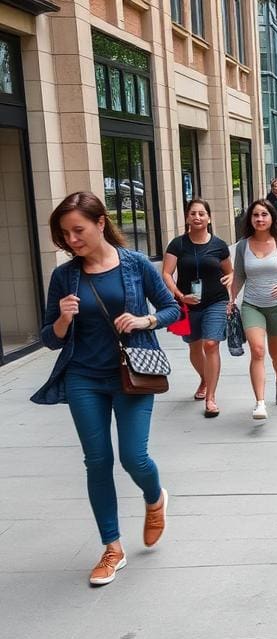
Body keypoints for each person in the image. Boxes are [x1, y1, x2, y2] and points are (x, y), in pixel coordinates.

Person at [31, 191, 179, 586]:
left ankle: (154, 497)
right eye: (64, 234)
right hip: (83, 377)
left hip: (132, 373)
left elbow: (172, 308)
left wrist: (145, 321)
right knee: (97, 461)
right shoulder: (64, 276)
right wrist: (62, 320)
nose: (71, 240)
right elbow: (50, 338)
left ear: (100, 223)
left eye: (78, 230)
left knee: (133, 457)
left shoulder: (134, 264)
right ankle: (112, 548)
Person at [229, 200, 277, 420]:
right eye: (255, 215)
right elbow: (239, 275)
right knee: (258, 350)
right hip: (252, 305)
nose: (259, 219)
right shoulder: (243, 245)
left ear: (271, 218)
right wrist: (231, 300)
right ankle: (260, 403)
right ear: (250, 219)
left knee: (276, 354)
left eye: (264, 215)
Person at [161, 198, 233, 417]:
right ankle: (204, 378)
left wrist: (231, 285)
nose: (197, 217)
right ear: (187, 217)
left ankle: (211, 398)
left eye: (202, 213)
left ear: (209, 218)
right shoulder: (178, 244)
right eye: (193, 213)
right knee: (194, 347)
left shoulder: (219, 245)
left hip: (216, 301)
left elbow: (230, 271)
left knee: (211, 344)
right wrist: (181, 296)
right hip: (188, 304)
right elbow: (166, 273)